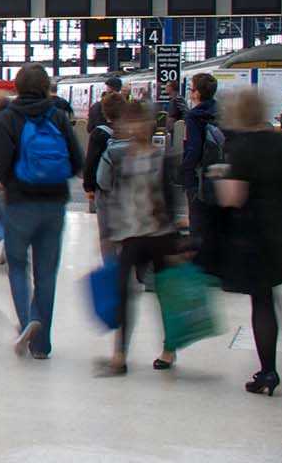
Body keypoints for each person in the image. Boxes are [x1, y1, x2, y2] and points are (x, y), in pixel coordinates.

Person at [201, 87, 282, 397]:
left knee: (262, 301)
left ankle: (268, 371)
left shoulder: (243, 148)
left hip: (253, 236)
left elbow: (233, 198)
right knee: (269, 296)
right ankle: (271, 365)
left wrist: (218, 178)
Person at [0, 64, 83, 360]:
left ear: (16, 87)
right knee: (46, 273)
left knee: (17, 267)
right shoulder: (58, 116)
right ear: (45, 87)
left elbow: (0, 164)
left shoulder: (6, 118)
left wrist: (10, 181)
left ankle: (29, 320)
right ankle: (42, 346)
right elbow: (77, 160)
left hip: (19, 204)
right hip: (54, 204)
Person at [92, 100, 185, 376]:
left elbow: (170, 197)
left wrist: (178, 238)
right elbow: (106, 191)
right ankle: (119, 353)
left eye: (141, 122)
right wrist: (108, 233)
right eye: (131, 122)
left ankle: (169, 348)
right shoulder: (119, 157)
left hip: (159, 235)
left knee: (165, 295)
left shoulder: (162, 157)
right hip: (129, 234)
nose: (136, 128)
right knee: (123, 293)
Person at [176, 73, 219, 240]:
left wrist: (184, 171)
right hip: (219, 173)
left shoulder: (194, 117)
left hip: (198, 176)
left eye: (191, 89)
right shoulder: (220, 111)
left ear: (197, 93)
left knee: (197, 219)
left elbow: (193, 149)